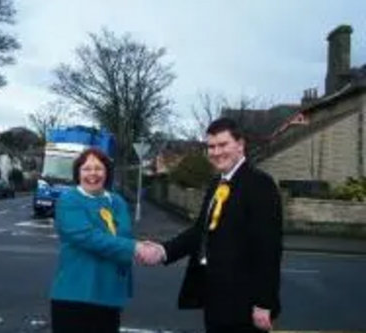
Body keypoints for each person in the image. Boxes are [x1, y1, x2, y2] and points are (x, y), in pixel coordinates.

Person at [140, 117, 283, 333]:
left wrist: (264, 303)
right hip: (216, 300)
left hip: (244, 307)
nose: (216, 152)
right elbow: (200, 232)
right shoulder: (217, 183)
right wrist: (163, 251)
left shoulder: (259, 184)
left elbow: (269, 249)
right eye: (211, 147)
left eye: (223, 145)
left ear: (240, 144)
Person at [49, 147, 155, 333]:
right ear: (78, 173)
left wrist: (137, 247)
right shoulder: (69, 200)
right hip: (76, 295)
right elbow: (88, 237)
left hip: (110, 294)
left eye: (98, 168)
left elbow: (124, 237)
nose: (93, 174)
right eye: (86, 169)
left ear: (107, 173)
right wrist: (135, 248)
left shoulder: (117, 201)